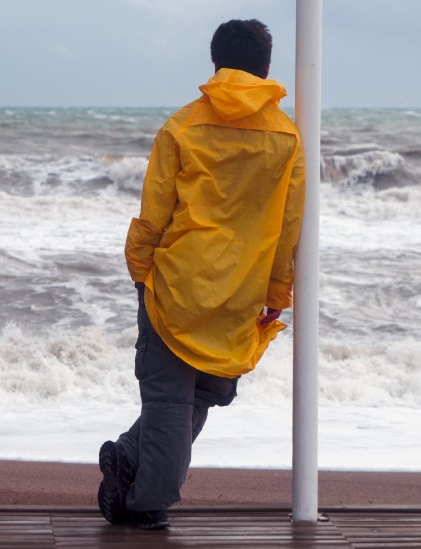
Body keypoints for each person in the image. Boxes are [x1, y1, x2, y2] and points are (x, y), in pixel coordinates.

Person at [97, 19, 306, 530]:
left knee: (182, 395)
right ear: (267, 68)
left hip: (177, 285)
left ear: (215, 64)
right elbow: (289, 225)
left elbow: (154, 212)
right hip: (240, 291)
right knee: (195, 395)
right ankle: (141, 490)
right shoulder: (287, 137)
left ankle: (136, 479)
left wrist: (140, 268)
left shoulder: (183, 125)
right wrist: (279, 290)